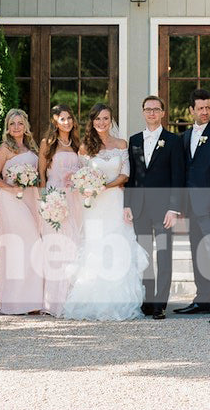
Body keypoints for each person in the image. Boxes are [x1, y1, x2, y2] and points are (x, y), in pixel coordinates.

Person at [62, 103, 148, 321]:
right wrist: (88, 186)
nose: (102, 123)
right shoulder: (84, 147)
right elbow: (82, 175)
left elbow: (125, 174)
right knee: (96, 246)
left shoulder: (121, 144)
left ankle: (118, 302)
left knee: (118, 246)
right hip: (94, 205)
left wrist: (104, 186)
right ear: (92, 121)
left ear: (112, 121)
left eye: (106, 119)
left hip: (114, 201)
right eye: (98, 119)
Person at [174, 88, 210, 325]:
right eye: (200, 108)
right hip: (191, 206)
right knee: (197, 251)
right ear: (191, 110)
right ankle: (202, 299)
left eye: (208, 107)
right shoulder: (187, 136)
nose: (205, 112)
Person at [124, 94, 184, 320]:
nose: (152, 113)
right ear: (143, 112)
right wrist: (127, 204)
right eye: (148, 109)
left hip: (163, 210)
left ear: (163, 113)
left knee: (164, 254)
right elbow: (132, 177)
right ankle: (148, 300)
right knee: (145, 256)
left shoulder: (173, 141)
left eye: (156, 109)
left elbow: (178, 176)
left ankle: (160, 303)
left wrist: (174, 208)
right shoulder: (134, 140)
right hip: (139, 208)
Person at [0, 109, 43, 314]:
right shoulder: (4, 149)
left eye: (20, 123)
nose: (16, 127)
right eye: (12, 124)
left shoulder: (32, 147)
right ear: (7, 128)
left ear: (26, 126)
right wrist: (12, 188)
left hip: (30, 200)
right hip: (11, 202)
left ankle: (33, 301)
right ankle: (15, 301)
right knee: (18, 247)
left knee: (33, 247)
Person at [38, 104, 82, 317]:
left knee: (73, 244)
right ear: (55, 122)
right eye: (62, 119)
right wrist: (45, 202)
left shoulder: (77, 145)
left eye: (69, 118)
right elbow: (42, 177)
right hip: (55, 199)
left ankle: (72, 298)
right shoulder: (47, 144)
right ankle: (53, 301)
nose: (67, 122)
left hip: (74, 200)